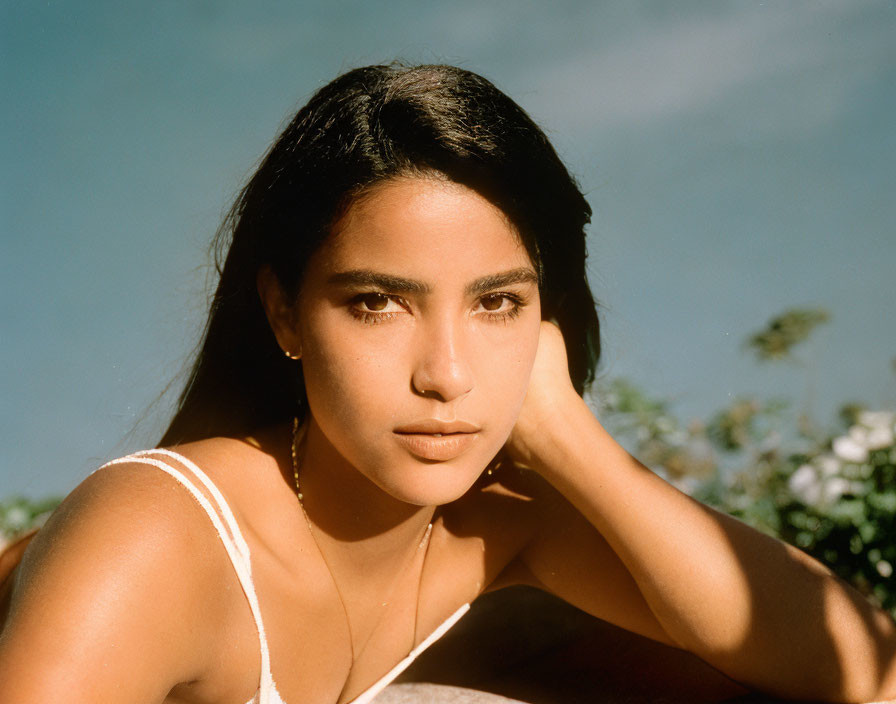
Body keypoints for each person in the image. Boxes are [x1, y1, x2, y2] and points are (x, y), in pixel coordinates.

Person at [0, 63, 894, 704]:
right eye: (379, 303)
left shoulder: (500, 526)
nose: (447, 375)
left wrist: (572, 440)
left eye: (496, 303)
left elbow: (865, 674)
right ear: (283, 315)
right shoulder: (156, 532)